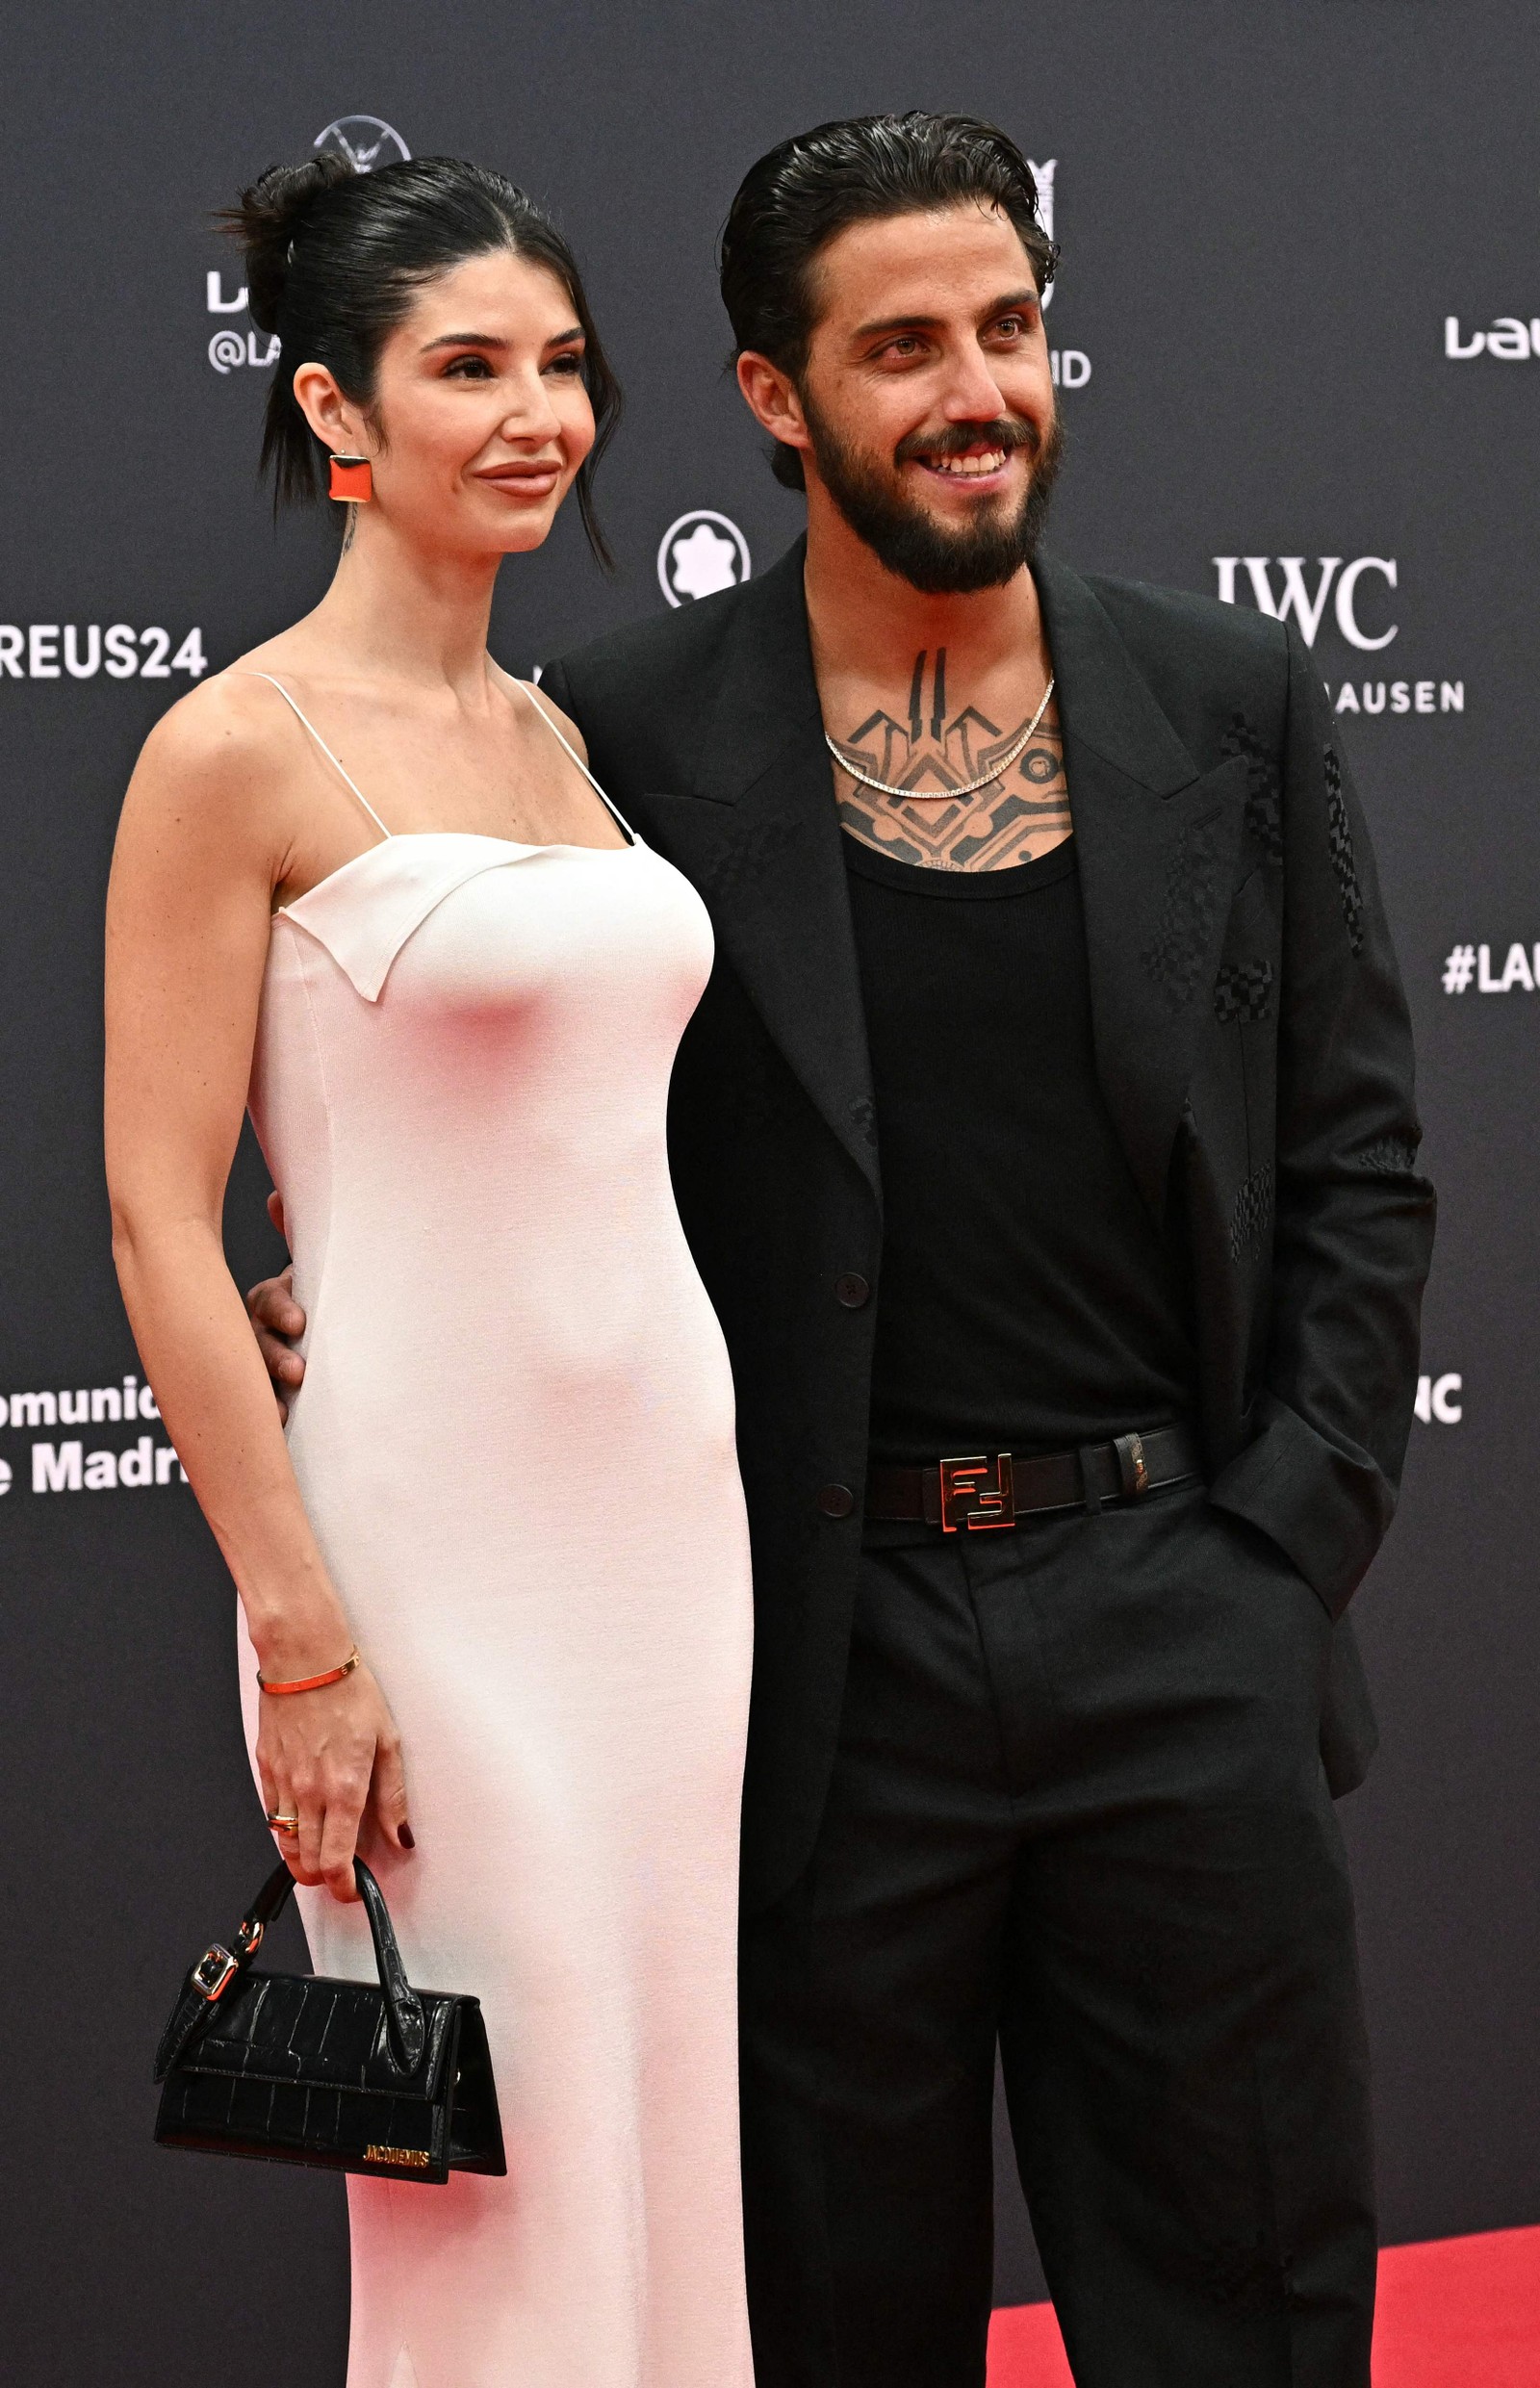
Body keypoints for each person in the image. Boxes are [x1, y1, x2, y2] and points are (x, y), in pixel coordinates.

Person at [250, 116, 1435, 2388]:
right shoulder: (620, 730)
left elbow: (1360, 1156)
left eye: (1006, 326)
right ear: (775, 398)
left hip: (1176, 1608)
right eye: (899, 345)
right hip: (795, 1660)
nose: (973, 385)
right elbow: (500, 1088)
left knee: (1248, 2301)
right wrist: (389, 1284)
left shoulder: (1229, 702)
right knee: (819, 2315)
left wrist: (1279, 1543)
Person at [105, 153, 755, 2388]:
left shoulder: (564, 740)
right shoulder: (230, 748)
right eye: (464, 366)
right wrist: (302, 1638)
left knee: (663, 2124)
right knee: (496, 2178)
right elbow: (155, 1219)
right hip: (424, 1557)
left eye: (561, 362)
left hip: (669, 1537)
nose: (532, 412)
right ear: (337, 415)